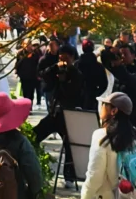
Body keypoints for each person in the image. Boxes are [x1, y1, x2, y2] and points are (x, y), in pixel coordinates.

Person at [33, 45, 94, 185]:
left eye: (66, 58)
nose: (63, 61)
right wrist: (54, 68)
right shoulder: (56, 68)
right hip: (55, 113)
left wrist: (64, 79)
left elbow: (71, 93)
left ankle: (69, 176)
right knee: (35, 135)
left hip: (69, 115)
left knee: (69, 147)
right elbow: (43, 76)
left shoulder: (77, 74)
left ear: (72, 58)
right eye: (61, 58)